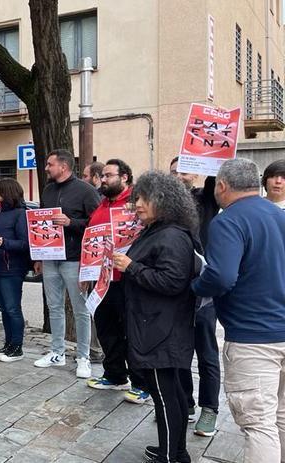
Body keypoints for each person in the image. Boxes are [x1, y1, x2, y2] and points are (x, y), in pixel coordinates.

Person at [192, 158, 285, 463]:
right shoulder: (279, 215)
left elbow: (220, 276)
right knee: (280, 418)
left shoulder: (228, 220)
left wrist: (195, 287)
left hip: (253, 338)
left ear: (222, 185)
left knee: (258, 425)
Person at [114, 170, 199, 463]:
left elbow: (172, 282)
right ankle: (175, 450)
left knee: (164, 396)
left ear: (163, 201)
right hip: (156, 325)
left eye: (143, 198)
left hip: (161, 328)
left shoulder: (172, 235)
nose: (137, 204)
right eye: (136, 197)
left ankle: (170, 455)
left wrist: (130, 267)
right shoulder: (157, 230)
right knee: (170, 393)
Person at [81, 160, 149, 403]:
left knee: (132, 332)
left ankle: (142, 383)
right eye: (103, 176)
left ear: (125, 177)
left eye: (109, 175)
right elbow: (91, 240)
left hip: (128, 278)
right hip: (101, 280)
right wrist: (85, 273)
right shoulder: (102, 204)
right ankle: (115, 375)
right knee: (106, 329)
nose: (103, 180)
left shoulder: (136, 204)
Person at [34, 150, 100, 378]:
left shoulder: (86, 191)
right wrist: (38, 255)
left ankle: (83, 356)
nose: (46, 168)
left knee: (81, 310)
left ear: (63, 166)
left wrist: (71, 222)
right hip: (50, 258)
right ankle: (57, 352)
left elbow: (95, 225)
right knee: (54, 307)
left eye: (50, 164)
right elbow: (40, 224)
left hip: (75, 259)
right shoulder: (48, 190)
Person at [170, 156, 221, 435]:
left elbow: (215, 175)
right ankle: (185, 403)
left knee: (206, 351)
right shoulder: (165, 207)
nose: (179, 176)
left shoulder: (206, 200)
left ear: (196, 175)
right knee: (178, 350)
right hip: (174, 288)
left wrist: (205, 153)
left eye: (185, 171)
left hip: (203, 289)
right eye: (174, 172)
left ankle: (210, 409)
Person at [0, 178, 31, 362]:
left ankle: (17, 347)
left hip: (11, 268)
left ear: (6, 192)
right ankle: (8, 344)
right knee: (3, 308)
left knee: (13, 308)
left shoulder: (20, 214)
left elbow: (25, 244)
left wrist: (4, 243)